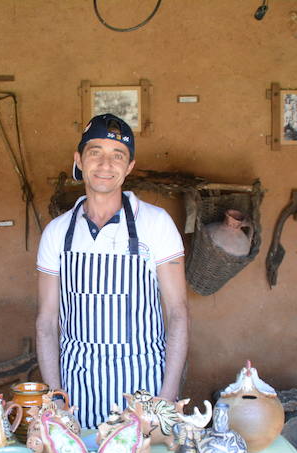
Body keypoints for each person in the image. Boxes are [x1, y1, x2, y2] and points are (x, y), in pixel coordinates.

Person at [35, 113, 188, 429]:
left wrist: (167, 396)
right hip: (77, 394)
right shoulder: (56, 232)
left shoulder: (156, 224)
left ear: (129, 166)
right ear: (79, 159)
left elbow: (178, 313)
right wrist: (55, 396)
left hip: (144, 392)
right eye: (96, 153)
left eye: (117, 156)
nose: (106, 165)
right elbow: (47, 323)